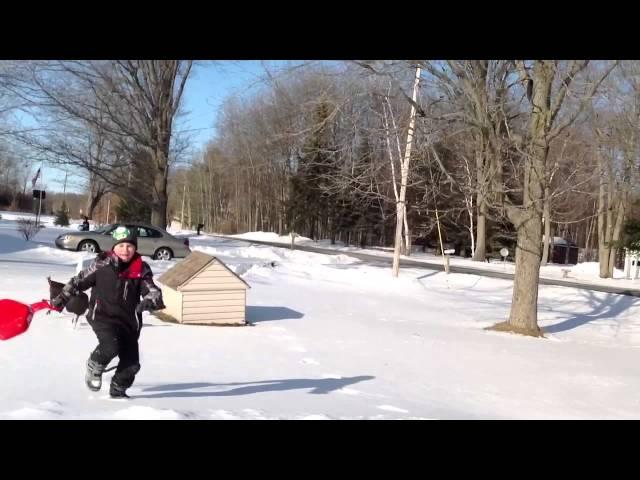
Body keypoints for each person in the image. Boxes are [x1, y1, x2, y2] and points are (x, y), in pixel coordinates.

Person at [52, 225, 165, 398]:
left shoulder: (141, 269)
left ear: (135, 248)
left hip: (129, 322)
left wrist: (150, 300)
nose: (125, 250)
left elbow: (153, 290)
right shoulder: (101, 264)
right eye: (120, 245)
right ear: (113, 247)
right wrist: (62, 297)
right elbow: (78, 281)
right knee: (110, 346)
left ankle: (118, 391)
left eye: (129, 246)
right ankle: (94, 365)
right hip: (102, 316)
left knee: (132, 364)